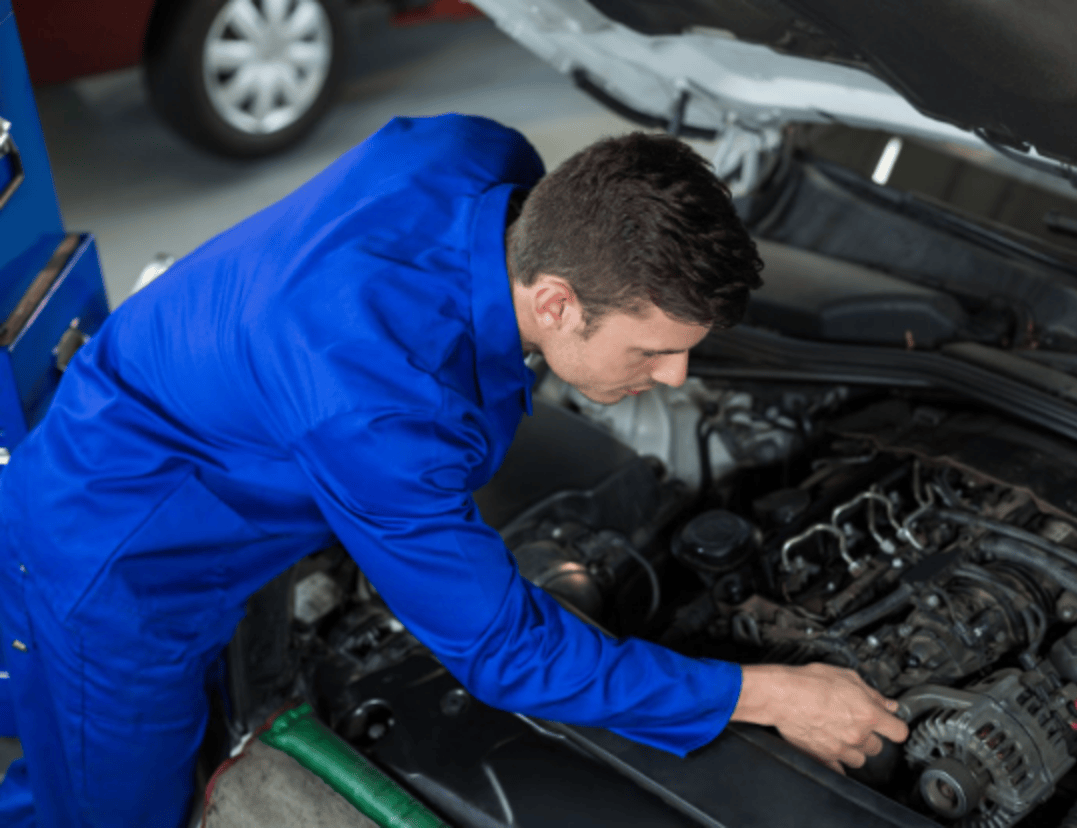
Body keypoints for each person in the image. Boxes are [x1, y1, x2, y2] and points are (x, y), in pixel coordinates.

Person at [0, 114, 907, 827]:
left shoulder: (481, 156)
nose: (676, 377)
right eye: (657, 349)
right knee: (109, 806)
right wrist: (769, 693)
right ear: (555, 302)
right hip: (120, 571)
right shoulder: (381, 403)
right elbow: (505, 654)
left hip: (179, 435)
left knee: (66, 756)